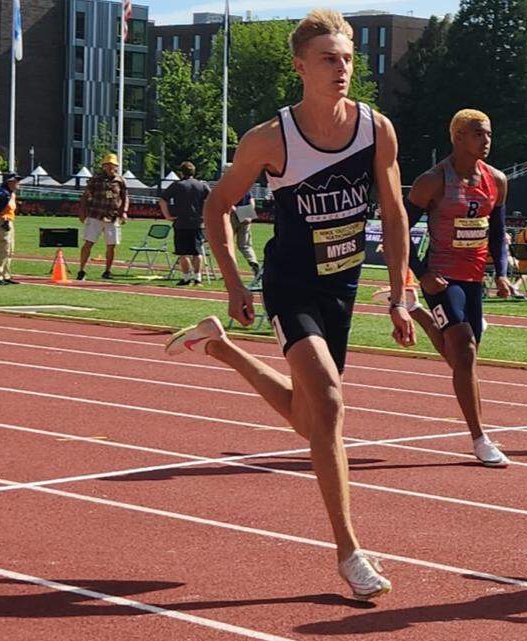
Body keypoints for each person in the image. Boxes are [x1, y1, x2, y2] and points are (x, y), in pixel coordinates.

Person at [162, 9, 415, 601]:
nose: (342, 69)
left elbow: (395, 212)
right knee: (327, 401)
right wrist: (232, 282)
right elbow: (217, 206)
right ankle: (350, 552)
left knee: (312, 419)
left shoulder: (377, 130)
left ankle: (219, 347)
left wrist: (402, 292)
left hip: (344, 286)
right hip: (291, 282)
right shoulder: (270, 138)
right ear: (301, 67)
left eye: (349, 58)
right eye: (329, 59)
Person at [407, 109, 511, 467]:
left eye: (489, 134)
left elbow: (497, 232)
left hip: (474, 279)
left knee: (462, 357)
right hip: (442, 277)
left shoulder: (496, 180)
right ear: (458, 137)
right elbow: (397, 230)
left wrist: (501, 272)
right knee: (464, 350)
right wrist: (421, 273)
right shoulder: (432, 181)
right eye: (478, 134)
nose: (486, 141)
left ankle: (418, 313)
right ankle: (480, 438)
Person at [159, 161, 211, 286]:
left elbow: (162, 200)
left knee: (183, 253)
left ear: (181, 173)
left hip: (181, 222)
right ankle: (198, 278)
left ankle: (186, 277)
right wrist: (205, 215)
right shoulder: (202, 185)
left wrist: (167, 215)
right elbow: (211, 199)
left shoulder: (177, 185)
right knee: (197, 252)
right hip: (197, 223)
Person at [78, 153, 128, 280]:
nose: (110, 167)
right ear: (104, 166)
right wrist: (82, 212)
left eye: (113, 165)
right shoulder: (96, 179)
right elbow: (85, 195)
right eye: (108, 165)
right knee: (88, 243)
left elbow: (125, 197)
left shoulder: (120, 180)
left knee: (112, 245)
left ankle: (107, 271)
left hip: (112, 216)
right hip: (95, 214)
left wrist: (124, 212)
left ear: (116, 166)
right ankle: (82, 270)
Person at [227, 168, 262, 282]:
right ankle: (253, 262)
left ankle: (232, 271)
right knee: (245, 244)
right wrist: (250, 213)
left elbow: (228, 201)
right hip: (246, 210)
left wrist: (236, 211)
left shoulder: (229, 183)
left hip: (234, 213)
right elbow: (251, 199)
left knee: (229, 243)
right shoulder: (245, 182)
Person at [0, 173, 20, 285]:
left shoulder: (11, 194)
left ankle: (6, 275)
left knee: (10, 250)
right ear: (9, 182)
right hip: (1, 222)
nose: (18, 183)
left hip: (8, 222)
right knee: (4, 249)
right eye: (16, 181)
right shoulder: (3, 192)